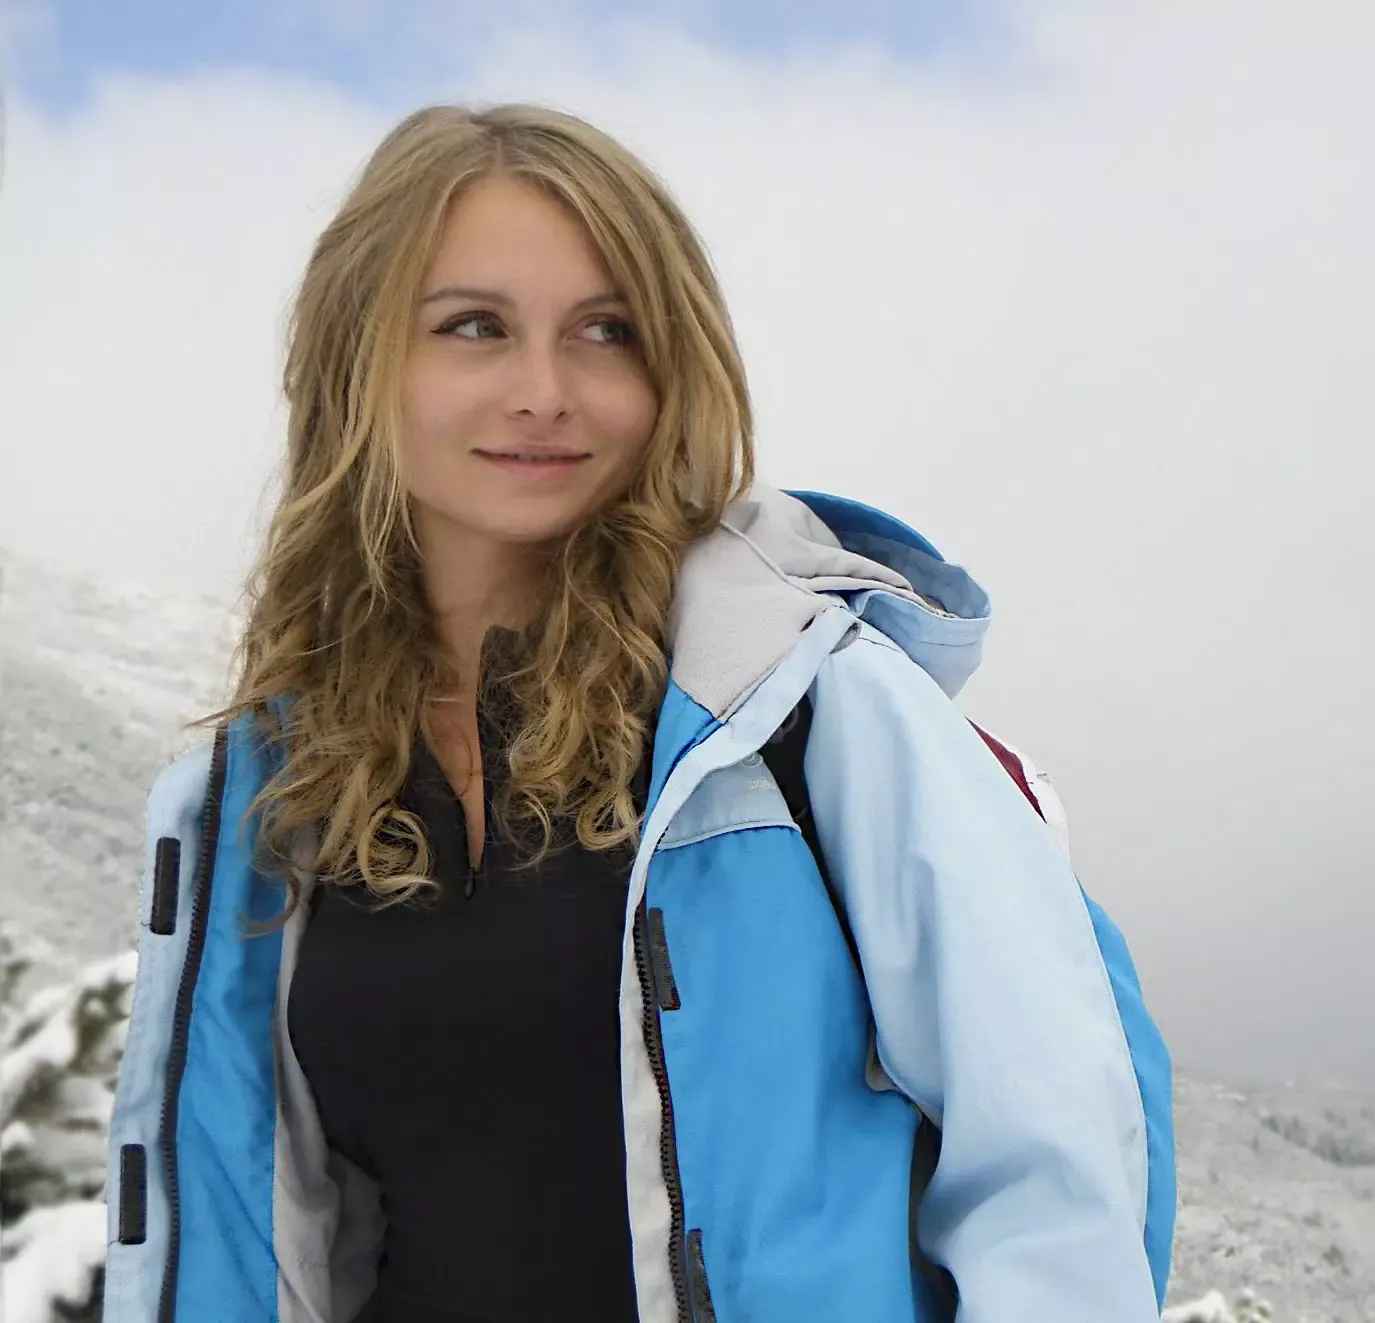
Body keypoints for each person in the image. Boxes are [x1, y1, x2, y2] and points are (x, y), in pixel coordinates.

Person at [100, 102, 1175, 1323]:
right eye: (473, 327)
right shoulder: (277, 784)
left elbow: (1058, 1172)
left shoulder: (796, 714)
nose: (544, 392)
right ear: (360, 359)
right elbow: (261, 1229)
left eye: (606, 332)